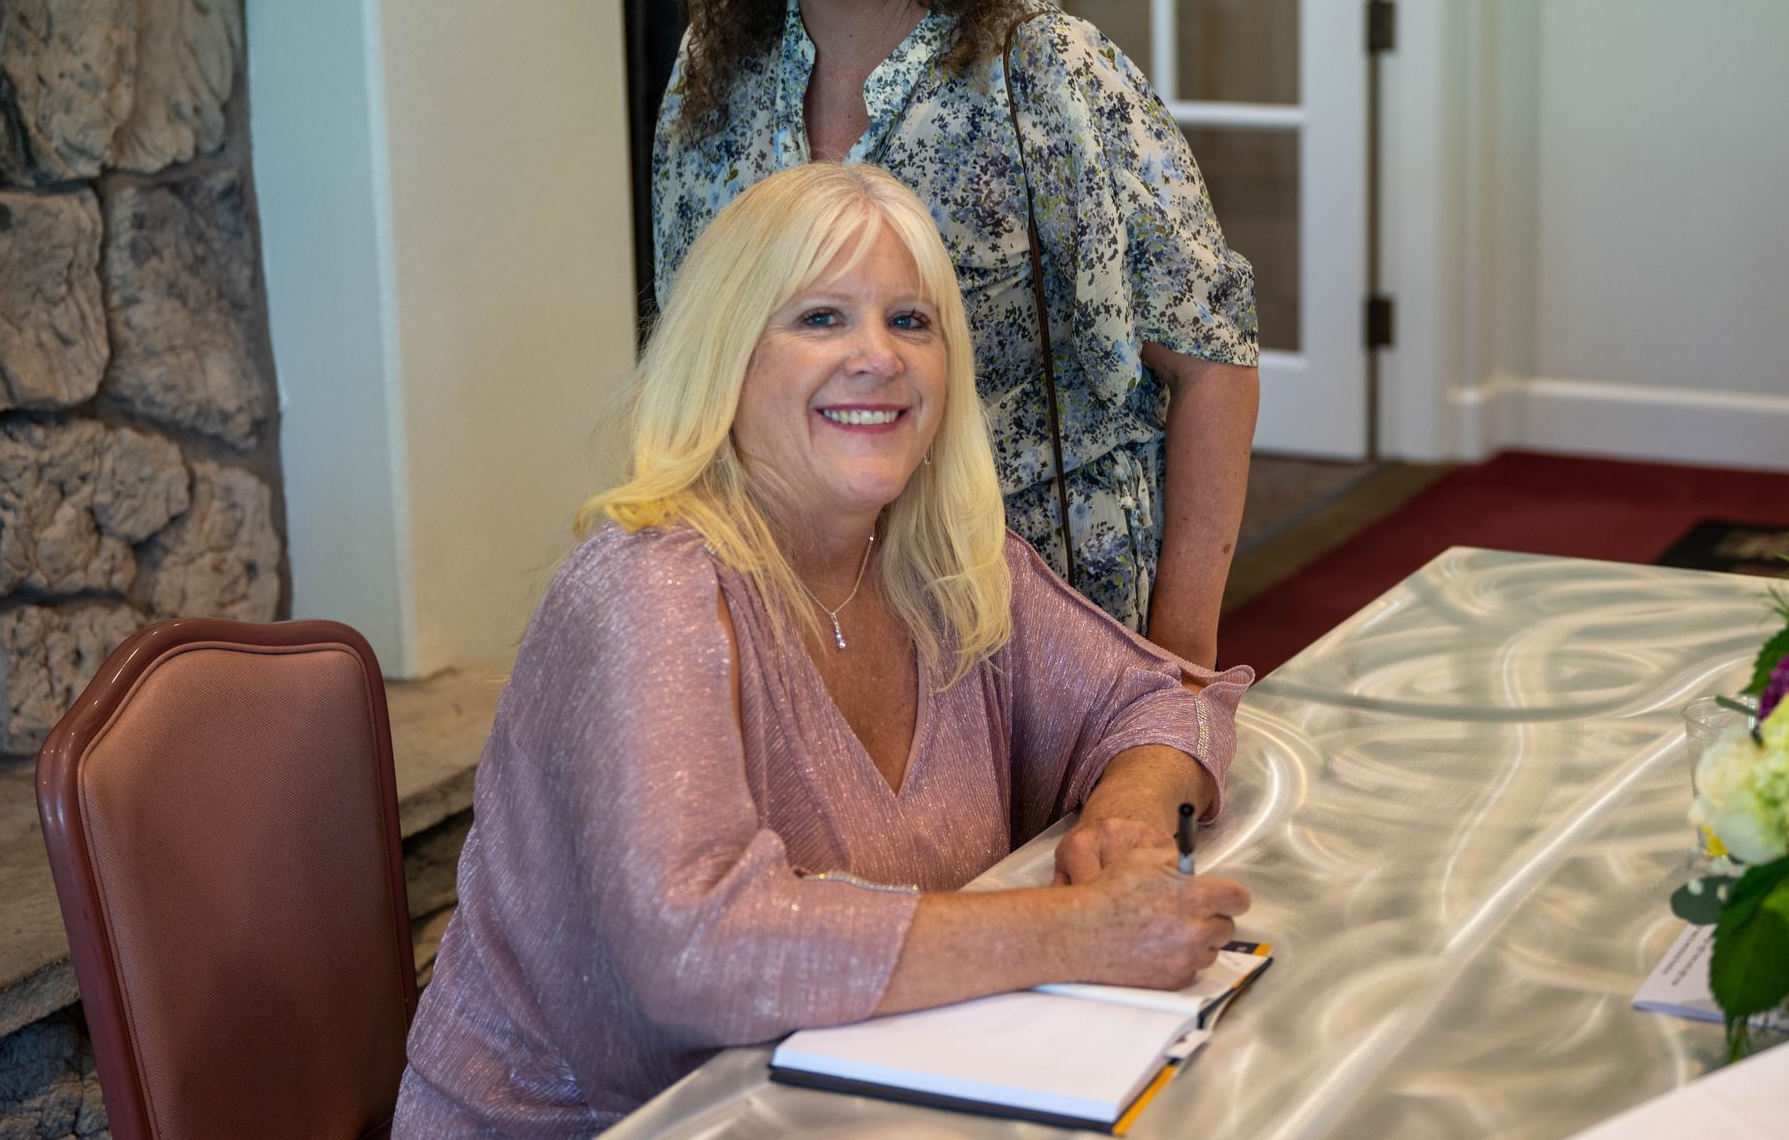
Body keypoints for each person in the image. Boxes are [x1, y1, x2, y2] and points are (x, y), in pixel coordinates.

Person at [394, 164, 1254, 1136]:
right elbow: (701, 945)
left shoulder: (947, 561)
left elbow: (1157, 698)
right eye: (820, 318)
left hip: (858, 1102)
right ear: (727, 357)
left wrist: (1129, 818)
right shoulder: (647, 591)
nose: (877, 357)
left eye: (911, 321)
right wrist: (1075, 932)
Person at [653, 0, 1260, 668]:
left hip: (1048, 626)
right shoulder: (711, 76)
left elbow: (1214, 360)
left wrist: (1181, 653)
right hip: (811, 628)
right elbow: (696, 376)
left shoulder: (1048, 73)